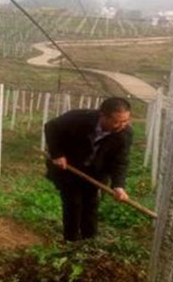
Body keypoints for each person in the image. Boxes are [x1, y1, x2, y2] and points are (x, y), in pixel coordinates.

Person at [44, 97, 133, 241]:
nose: (121, 126)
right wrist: (57, 154)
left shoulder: (124, 134)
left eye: (125, 121)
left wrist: (118, 185)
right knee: (73, 203)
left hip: (96, 172)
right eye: (116, 121)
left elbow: (120, 161)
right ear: (103, 115)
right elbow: (51, 126)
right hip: (70, 167)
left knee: (91, 204)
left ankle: (89, 241)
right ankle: (70, 240)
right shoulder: (79, 118)